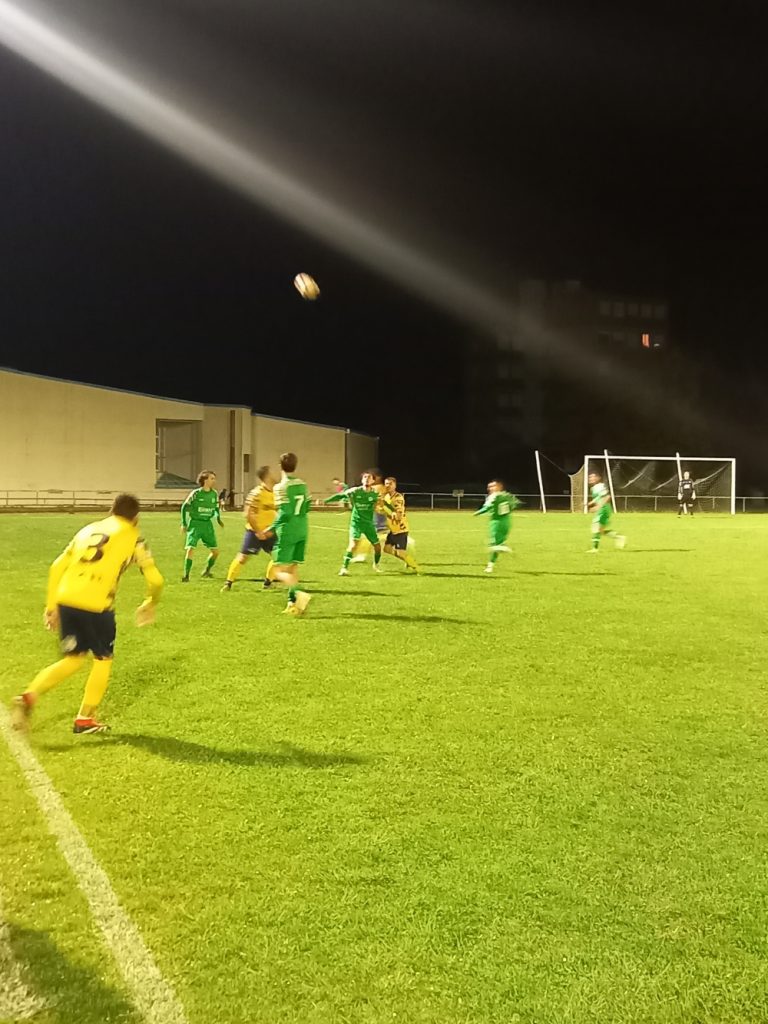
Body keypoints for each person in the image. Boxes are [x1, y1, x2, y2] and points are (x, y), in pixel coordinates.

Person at [11, 494, 163, 734]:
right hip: (97, 605)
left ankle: (29, 696)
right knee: (103, 659)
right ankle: (85, 718)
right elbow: (156, 580)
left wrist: (51, 606)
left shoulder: (88, 530)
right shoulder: (135, 539)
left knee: (73, 658)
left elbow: (56, 566)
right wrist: (150, 602)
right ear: (136, 517)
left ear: (112, 511)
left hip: (67, 599)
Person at [266, 452, 312, 615]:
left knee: (279, 570)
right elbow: (308, 505)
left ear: (280, 466)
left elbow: (284, 513)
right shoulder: (303, 484)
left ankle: (299, 594)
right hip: (302, 528)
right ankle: (292, 604)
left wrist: (270, 528)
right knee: (293, 567)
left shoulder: (280, 487)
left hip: (288, 531)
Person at [221, 465, 278, 591]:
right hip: (254, 532)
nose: (276, 473)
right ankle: (228, 583)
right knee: (243, 557)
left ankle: (268, 583)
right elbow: (247, 513)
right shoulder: (257, 493)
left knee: (279, 557)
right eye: (273, 472)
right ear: (267, 476)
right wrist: (258, 531)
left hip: (269, 532)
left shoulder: (275, 492)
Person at [324, 471, 382, 575]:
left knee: (377, 547)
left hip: (368, 524)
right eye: (365, 477)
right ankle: (344, 568)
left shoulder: (375, 494)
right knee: (353, 545)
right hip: (356, 523)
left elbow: (383, 504)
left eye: (369, 477)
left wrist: (392, 510)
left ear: (373, 481)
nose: (367, 479)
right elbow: (340, 496)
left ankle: (376, 565)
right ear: (362, 480)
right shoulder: (355, 491)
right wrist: (326, 500)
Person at [181, 470, 223, 581]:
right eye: (212, 478)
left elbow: (216, 508)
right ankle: (186, 575)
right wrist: (184, 523)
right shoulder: (196, 493)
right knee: (190, 548)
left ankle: (207, 571)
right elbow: (184, 507)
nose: (214, 481)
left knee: (215, 552)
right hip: (195, 524)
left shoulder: (214, 494)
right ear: (205, 480)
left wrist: (218, 519)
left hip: (207, 525)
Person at [474, 480, 518, 573]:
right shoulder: (506, 495)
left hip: (496, 522)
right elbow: (515, 504)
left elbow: (487, 508)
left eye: (492, 486)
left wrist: (477, 513)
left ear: (499, 487)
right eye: (489, 487)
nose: (490, 488)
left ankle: (503, 549)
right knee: (497, 543)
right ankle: (491, 565)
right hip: (506, 521)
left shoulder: (493, 496)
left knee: (493, 544)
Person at [381, 476, 419, 572]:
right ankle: (407, 559)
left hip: (401, 528)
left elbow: (398, 515)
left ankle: (415, 566)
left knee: (400, 553)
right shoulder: (386, 496)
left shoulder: (398, 498)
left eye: (390, 484)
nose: (388, 486)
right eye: (386, 484)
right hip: (393, 529)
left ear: (395, 485)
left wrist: (388, 510)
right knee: (387, 549)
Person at [587, 471, 626, 552]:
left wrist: (598, 507)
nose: (591, 478)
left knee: (595, 527)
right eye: (590, 477)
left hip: (603, 509)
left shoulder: (600, 486)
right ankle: (619, 537)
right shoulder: (593, 488)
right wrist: (590, 503)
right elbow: (598, 498)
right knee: (600, 530)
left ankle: (595, 549)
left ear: (598, 478)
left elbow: (607, 497)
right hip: (602, 509)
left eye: (593, 477)